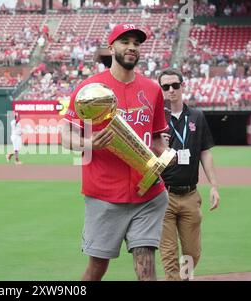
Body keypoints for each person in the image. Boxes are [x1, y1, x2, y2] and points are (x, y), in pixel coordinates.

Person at [62, 24, 170, 281]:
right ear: (111, 48)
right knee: (97, 267)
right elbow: (66, 136)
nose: (132, 47)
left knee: (146, 266)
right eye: (124, 41)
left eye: (136, 42)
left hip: (148, 194)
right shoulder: (90, 89)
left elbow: (156, 139)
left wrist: (165, 156)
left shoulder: (152, 89)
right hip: (104, 195)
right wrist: (91, 144)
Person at [158, 68, 220, 280]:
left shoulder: (197, 116)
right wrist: (157, 147)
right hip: (163, 195)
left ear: (182, 86)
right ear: (161, 90)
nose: (171, 90)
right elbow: (143, 158)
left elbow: (205, 151)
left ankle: (184, 278)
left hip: (190, 194)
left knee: (192, 253)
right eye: (165, 87)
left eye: (175, 85)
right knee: (168, 253)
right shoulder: (155, 119)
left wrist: (213, 185)